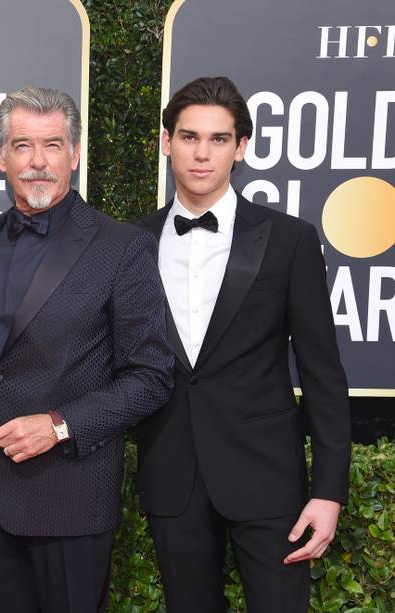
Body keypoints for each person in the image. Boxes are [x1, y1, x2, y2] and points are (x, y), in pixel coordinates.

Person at [0, 85, 174, 613]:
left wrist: (57, 424)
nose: (37, 162)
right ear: (1, 155)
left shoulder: (121, 247)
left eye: (52, 145)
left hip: (69, 500)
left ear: (75, 154)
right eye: (23, 145)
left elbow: (151, 375)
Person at [136, 76, 351, 612]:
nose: (201, 154)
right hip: (173, 474)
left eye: (218, 139)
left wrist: (329, 491)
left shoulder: (289, 240)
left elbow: (323, 374)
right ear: (167, 143)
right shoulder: (131, 242)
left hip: (266, 477)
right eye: (188, 137)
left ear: (241, 147)